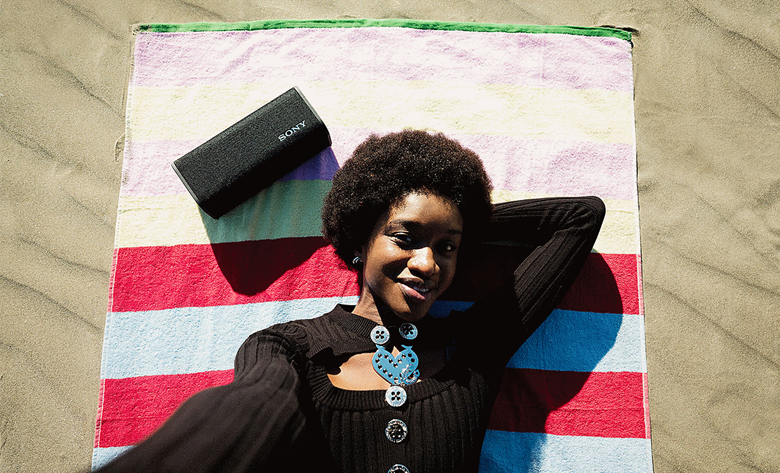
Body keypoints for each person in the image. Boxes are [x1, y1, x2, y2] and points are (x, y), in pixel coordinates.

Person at [95, 130, 605, 473]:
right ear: (362, 239)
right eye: (406, 237)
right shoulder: (289, 345)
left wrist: (462, 222)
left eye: (447, 249)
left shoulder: (475, 346)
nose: (429, 264)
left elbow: (579, 218)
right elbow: (255, 406)